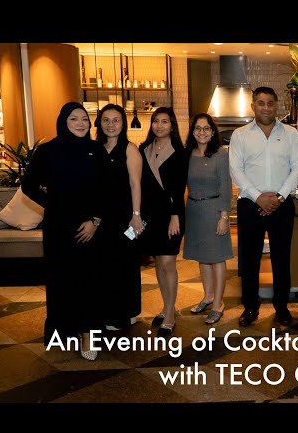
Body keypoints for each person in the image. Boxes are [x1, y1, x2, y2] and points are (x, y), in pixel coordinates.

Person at [22, 102, 107, 361]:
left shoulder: (96, 150)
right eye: (74, 119)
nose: (81, 124)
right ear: (63, 122)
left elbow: (108, 189)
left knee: (89, 282)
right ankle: (64, 330)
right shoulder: (48, 151)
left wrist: (95, 221)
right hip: (58, 228)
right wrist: (53, 205)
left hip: (89, 228)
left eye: (85, 119)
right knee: (61, 281)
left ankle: (88, 334)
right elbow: (28, 186)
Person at [229, 87, 298, 327]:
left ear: (276, 106)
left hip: (282, 204)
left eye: (270, 103)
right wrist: (258, 197)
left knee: (281, 258)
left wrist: (279, 197)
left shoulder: (290, 134)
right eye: (261, 103)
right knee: (249, 259)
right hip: (250, 204)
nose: (266, 108)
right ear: (253, 106)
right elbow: (235, 169)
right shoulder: (240, 135)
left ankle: (281, 307)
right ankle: (250, 307)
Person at [138, 107, 188, 337]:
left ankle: (170, 314)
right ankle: (167, 306)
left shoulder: (180, 152)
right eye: (156, 121)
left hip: (171, 216)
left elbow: (179, 189)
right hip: (150, 216)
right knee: (158, 262)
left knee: (168, 262)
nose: (159, 125)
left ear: (172, 125)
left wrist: (175, 216)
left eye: (164, 121)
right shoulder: (143, 149)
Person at [96, 103, 144, 331]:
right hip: (101, 219)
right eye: (106, 120)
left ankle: (124, 313)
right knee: (105, 266)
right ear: (99, 123)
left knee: (125, 264)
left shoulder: (129, 149)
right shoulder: (96, 148)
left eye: (116, 120)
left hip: (125, 217)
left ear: (123, 123)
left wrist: (136, 216)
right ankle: (110, 312)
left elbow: (136, 184)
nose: (111, 124)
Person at [184, 113, 232, 325]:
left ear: (213, 132)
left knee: (217, 257)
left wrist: (224, 216)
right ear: (193, 131)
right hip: (194, 211)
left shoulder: (220, 154)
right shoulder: (188, 154)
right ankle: (208, 296)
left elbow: (226, 187)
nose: (201, 132)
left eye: (206, 128)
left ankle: (218, 303)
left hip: (214, 211)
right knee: (202, 257)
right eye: (198, 128)